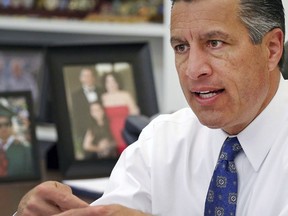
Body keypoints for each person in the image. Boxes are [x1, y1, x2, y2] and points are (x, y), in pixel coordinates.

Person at [15, 0, 288, 215]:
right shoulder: (161, 140)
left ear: (272, 49)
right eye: (181, 47)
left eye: (215, 43)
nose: (193, 70)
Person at [101, 72, 140, 154]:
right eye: (108, 81)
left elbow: (134, 113)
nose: (111, 84)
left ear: (117, 82)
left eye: (113, 81)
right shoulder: (103, 98)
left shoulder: (125, 95)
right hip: (111, 132)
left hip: (126, 130)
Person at [71, 68, 104, 149]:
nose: (88, 78)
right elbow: (76, 114)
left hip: (103, 129)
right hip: (85, 129)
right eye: (85, 76)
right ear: (81, 78)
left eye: (90, 75)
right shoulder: (75, 95)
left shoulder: (102, 91)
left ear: (93, 77)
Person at [0, 105, 33, 177]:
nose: (3, 128)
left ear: (11, 125)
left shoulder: (25, 149)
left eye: (6, 124)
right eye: (0, 125)